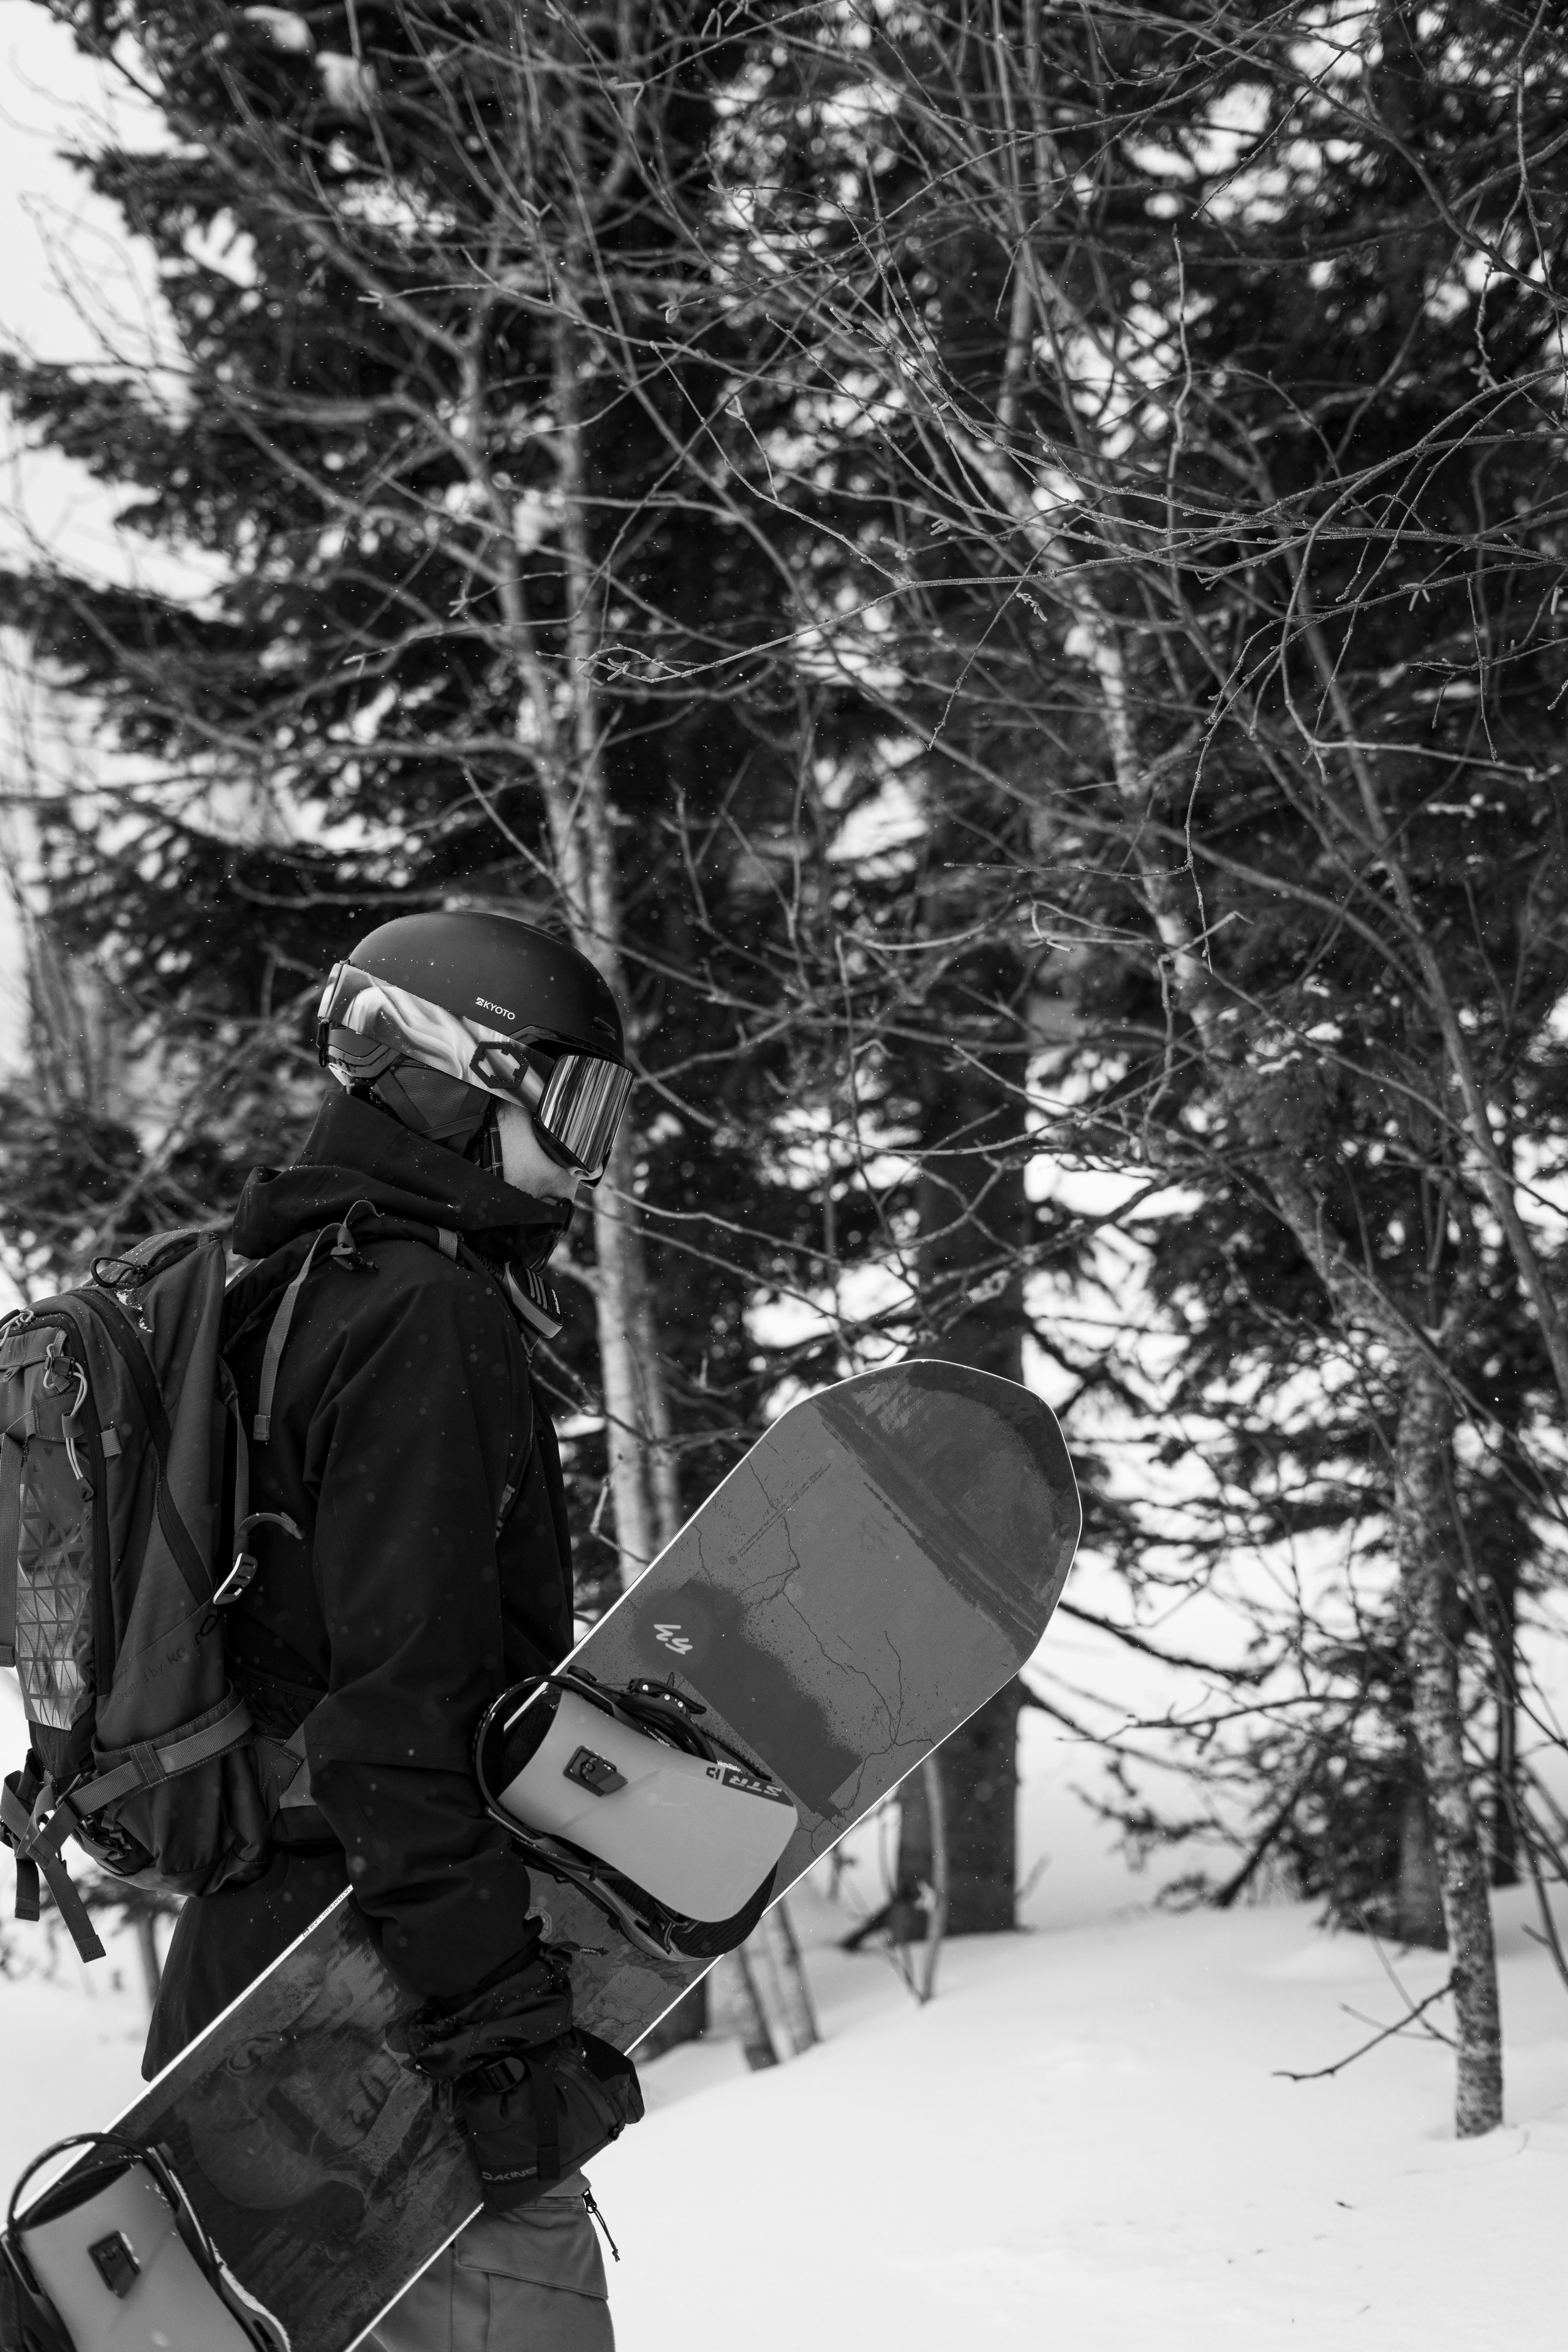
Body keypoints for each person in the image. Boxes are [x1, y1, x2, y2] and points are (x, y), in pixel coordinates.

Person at [145, 907, 637, 2352]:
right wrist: (496, 2028)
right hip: (372, 2002)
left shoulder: (291, 1281)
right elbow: (396, 1715)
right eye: (573, 1099)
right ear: (457, 1070)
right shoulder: (422, 1309)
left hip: (254, 1973)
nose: (587, 1152)